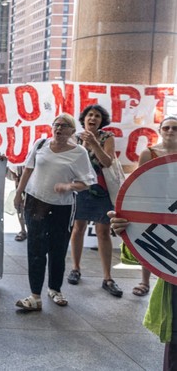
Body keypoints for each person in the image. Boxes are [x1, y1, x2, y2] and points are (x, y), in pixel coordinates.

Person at [110, 115, 177, 370]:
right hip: (162, 220)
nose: (170, 132)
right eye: (166, 127)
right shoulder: (150, 154)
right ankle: (144, 280)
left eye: (175, 128)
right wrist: (131, 224)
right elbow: (141, 191)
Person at [13, 113, 96, 311]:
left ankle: (55, 289)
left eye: (64, 126)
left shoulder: (79, 152)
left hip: (61, 207)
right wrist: (18, 194)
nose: (59, 129)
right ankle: (34, 296)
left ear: (72, 131)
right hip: (35, 202)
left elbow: (87, 182)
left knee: (57, 250)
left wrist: (68, 186)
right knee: (35, 250)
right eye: (56, 125)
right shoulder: (41, 144)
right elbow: (28, 169)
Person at [67, 105, 123, 297]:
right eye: (90, 115)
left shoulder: (107, 138)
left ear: (102, 120)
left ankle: (107, 278)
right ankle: (75, 268)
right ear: (84, 119)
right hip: (81, 191)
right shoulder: (75, 138)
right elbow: (73, 164)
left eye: (97, 116)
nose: (93, 118)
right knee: (78, 228)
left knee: (103, 232)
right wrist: (83, 143)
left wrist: (94, 143)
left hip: (102, 191)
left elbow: (107, 162)